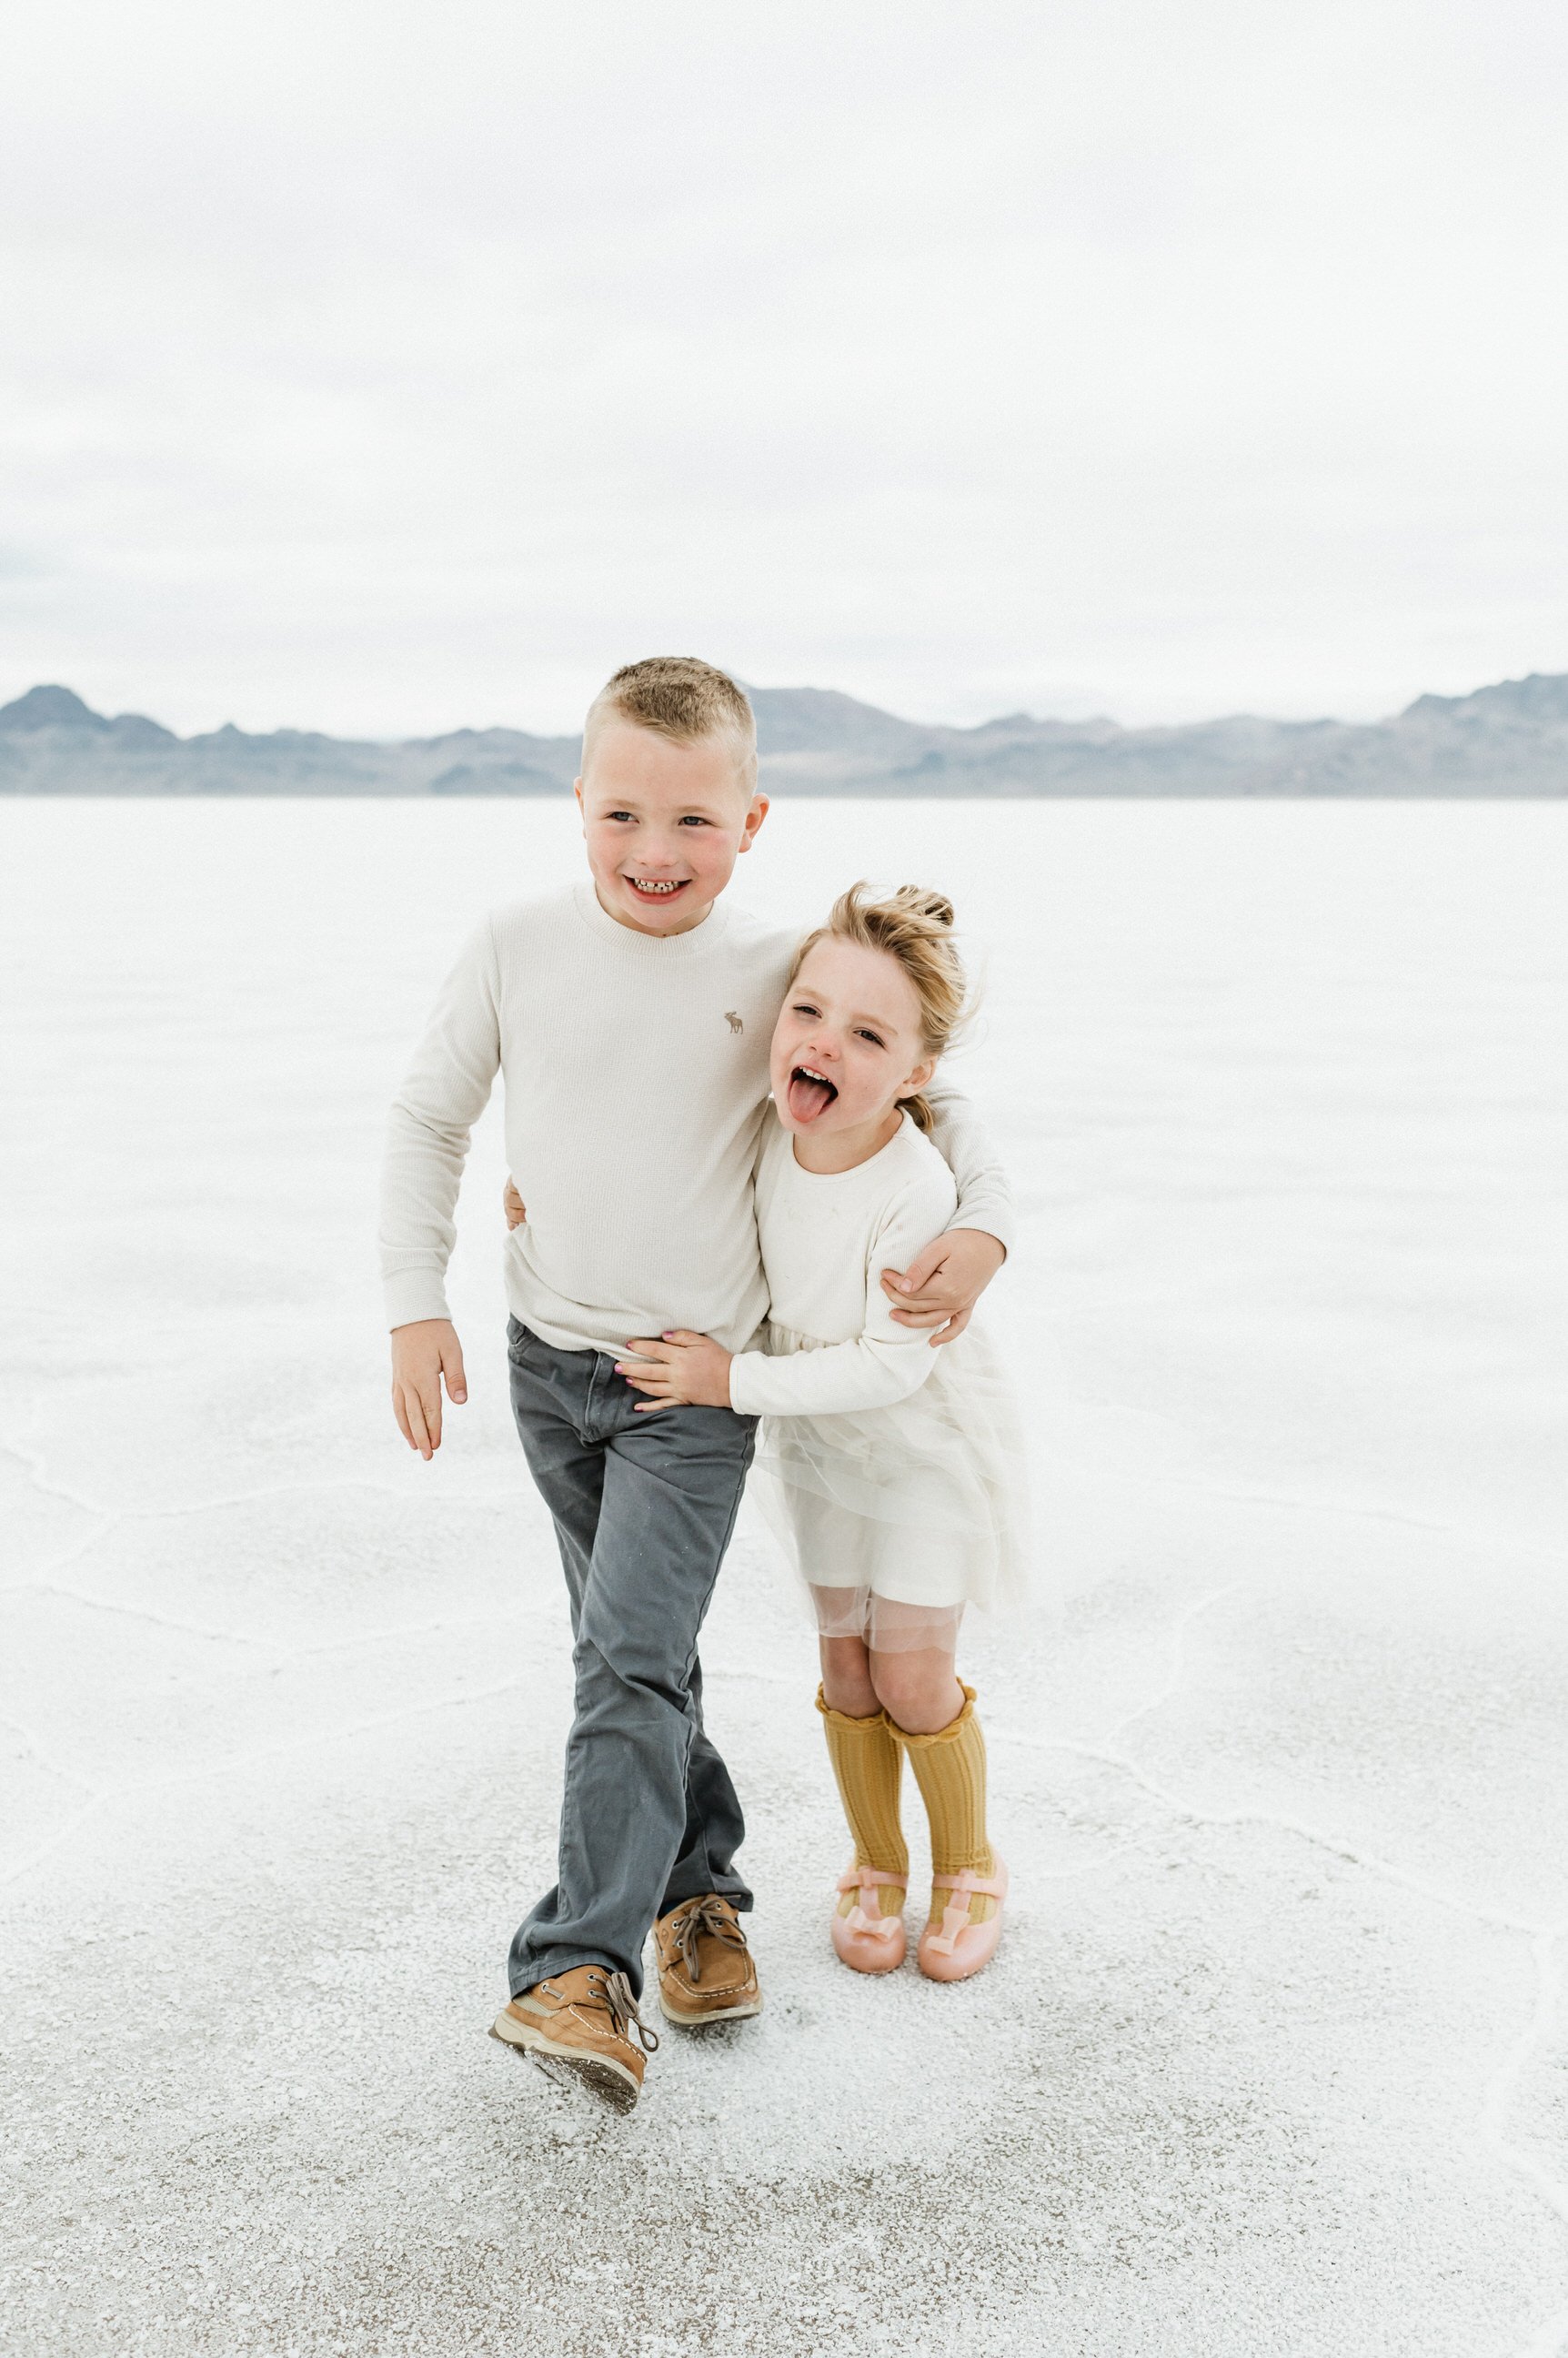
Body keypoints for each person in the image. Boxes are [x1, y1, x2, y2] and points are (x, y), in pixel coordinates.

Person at [379, 658, 1013, 2111]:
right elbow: (427, 1117)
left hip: (697, 1393)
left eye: (692, 822)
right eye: (620, 815)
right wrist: (416, 1305)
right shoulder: (513, 943)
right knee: (636, 1657)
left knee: (622, 1660)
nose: (653, 854)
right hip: (552, 1363)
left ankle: (573, 1966)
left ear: (752, 819)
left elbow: (938, 1077)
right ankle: (701, 1893)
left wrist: (983, 1221)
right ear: (580, 805)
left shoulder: (779, 965)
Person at [618, 883, 1023, 1985]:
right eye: (808, 1013)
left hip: (917, 1446)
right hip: (818, 1447)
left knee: (912, 1674)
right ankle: (877, 1861)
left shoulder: (914, 1185)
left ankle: (969, 1863)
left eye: (867, 1035)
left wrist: (726, 1381)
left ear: (914, 1073)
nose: (823, 1045)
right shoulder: (764, 1128)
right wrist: (541, 1196)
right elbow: (662, 1165)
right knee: (845, 1669)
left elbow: (893, 1362)